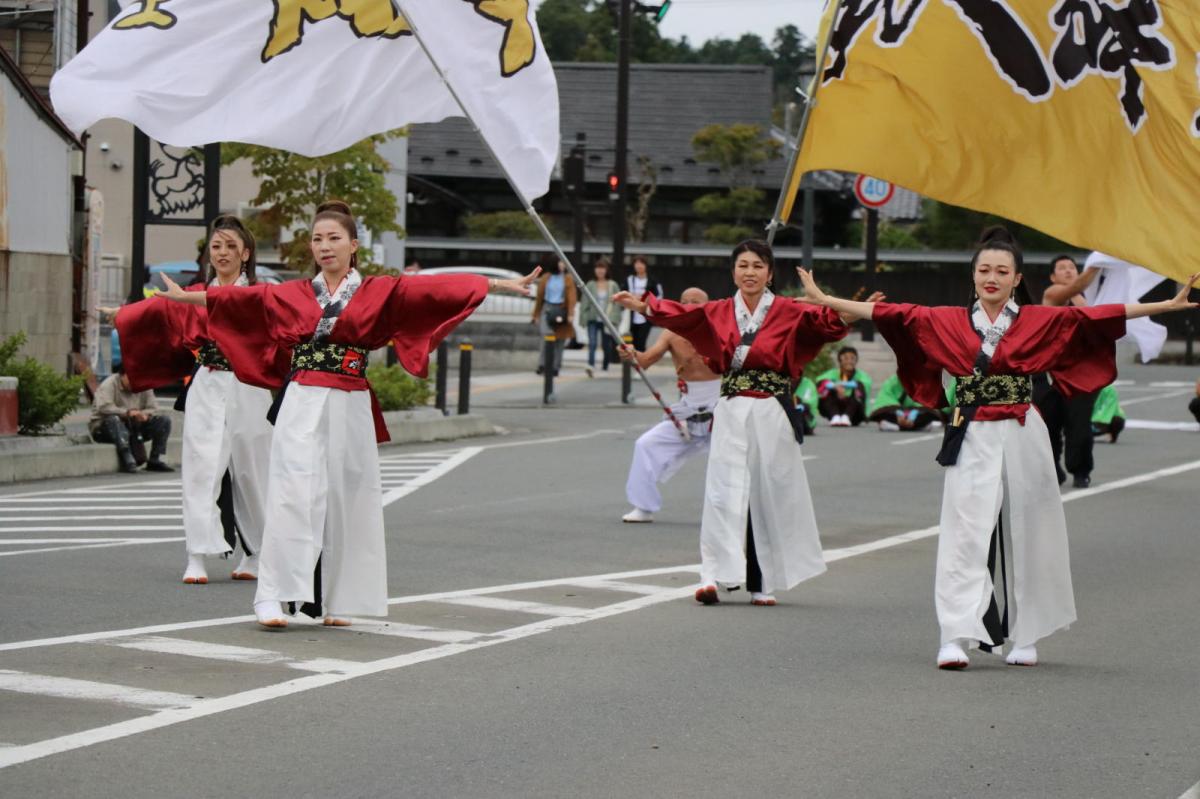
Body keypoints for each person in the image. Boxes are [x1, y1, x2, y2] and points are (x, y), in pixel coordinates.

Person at [797, 226, 1197, 670]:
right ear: (973, 276)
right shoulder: (946, 320)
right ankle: (954, 635)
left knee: (1035, 525)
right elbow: (890, 313)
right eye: (984, 269)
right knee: (964, 531)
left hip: (1023, 429)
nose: (992, 276)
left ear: (1016, 278)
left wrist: (1165, 304)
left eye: (1001, 271)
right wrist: (827, 300)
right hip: (971, 433)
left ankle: (1027, 633)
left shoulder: (1038, 319)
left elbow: (1097, 316)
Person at [159, 200, 537, 629]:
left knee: (347, 498)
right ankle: (272, 596)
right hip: (302, 399)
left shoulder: (380, 290)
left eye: (334, 238)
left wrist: (498, 286)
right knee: (291, 493)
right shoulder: (292, 294)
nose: (325, 246)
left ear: (353, 244)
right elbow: (238, 302)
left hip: (351, 399)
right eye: (317, 239)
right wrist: (183, 297)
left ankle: (338, 598)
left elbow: (435, 291)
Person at [614, 240, 849, 607]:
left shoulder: (789, 310)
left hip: (772, 408)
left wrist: (824, 299)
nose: (750, 272)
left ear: (770, 273)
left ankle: (763, 581)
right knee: (723, 490)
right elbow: (681, 316)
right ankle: (712, 575)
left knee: (768, 493)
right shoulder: (719, 311)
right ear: (733, 271)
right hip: (732, 405)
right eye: (743, 265)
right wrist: (645, 306)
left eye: (758, 265)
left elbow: (831, 326)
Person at [115, 215, 277, 586]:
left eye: (230, 247)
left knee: (253, 470)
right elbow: (158, 310)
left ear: (246, 254)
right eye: (216, 247)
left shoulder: (257, 294)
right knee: (202, 466)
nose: (221, 253)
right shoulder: (194, 292)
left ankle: (257, 552)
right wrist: (121, 316)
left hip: (247, 385)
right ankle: (196, 554)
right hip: (207, 382)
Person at [619, 287, 721, 524]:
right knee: (645, 445)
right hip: (687, 409)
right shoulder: (670, 333)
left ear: (707, 305)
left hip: (721, 405)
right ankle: (643, 507)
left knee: (736, 459)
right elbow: (645, 361)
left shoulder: (720, 329)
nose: (688, 305)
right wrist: (632, 355)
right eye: (684, 301)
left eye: (695, 302)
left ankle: (739, 511)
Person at [1036, 254, 1104, 487]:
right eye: (1062, 268)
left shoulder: (1088, 299)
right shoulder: (1051, 295)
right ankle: (1053, 471)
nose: (1067, 271)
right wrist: (1099, 262)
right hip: (1049, 374)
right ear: (1053, 277)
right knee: (1047, 427)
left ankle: (1080, 470)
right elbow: (1076, 291)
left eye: (1072, 268)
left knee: (1080, 427)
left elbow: (1093, 317)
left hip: (1080, 374)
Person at [90, 362, 173, 474]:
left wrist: (144, 415)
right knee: (114, 419)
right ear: (122, 375)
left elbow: (153, 407)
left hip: (134, 426)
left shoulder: (143, 384)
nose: (134, 383)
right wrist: (127, 413)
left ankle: (155, 458)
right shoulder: (109, 384)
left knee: (163, 421)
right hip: (106, 427)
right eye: (131, 379)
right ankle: (127, 457)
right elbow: (104, 407)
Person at [531, 256, 576, 377]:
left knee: (560, 340)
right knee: (545, 337)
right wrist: (535, 315)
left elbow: (572, 298)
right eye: (561, 262)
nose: (563, 265)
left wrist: (571, 314)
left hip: (562, 310)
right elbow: (539, 297)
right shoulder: (546, 277)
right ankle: (542, 364)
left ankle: (556, 366)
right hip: (547, 308)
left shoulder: (568, 279)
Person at [580, 258, 622, 377]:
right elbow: (584, 302)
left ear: (606, 270)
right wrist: (583, 318)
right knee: (592, 343)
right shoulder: (590, 284)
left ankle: (605, 365)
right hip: (593, 318)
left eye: (602, 268)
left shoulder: (612, 285)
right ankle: (591, 365)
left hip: (607, 319)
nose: (600, 271)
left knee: (606, 344)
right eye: (598, 268)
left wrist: (615, 318)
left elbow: (617, 303)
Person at [815, 346, 873, 426]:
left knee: (858, 388)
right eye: (846, 358)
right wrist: (834, 387)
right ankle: (835, 416)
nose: (849, 361)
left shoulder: (862, 375)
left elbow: (865, 384)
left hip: (855, 413)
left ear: (856, 360)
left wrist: (842, 384)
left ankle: (847, 417)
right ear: (840, 360)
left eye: (852, 358)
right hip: (836, 409)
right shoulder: (833, 373)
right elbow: (820, 381)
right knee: (827, 388)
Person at [869, 373, 944, 431]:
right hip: (895, 412)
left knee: (928, 414)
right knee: (883, 413)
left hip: (915, 412)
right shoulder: (892, 381)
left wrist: (913, 414)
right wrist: (897, 412)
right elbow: (885, 398)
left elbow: (925, 400)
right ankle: (915, 426)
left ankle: (902, 425)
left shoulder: (922, 382)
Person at [624, 255, 663, 352]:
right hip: (631, 316)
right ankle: (634, 364)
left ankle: (641, 362)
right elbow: (623, 294)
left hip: (646, 316)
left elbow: (659, 296)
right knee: (632, 342)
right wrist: (632, 296)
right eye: (636, 263)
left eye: (641, 263)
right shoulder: (629, 279)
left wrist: (647, 300)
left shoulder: (652, 280)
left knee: (642, 341)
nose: (639, 266)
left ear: (645, 265)